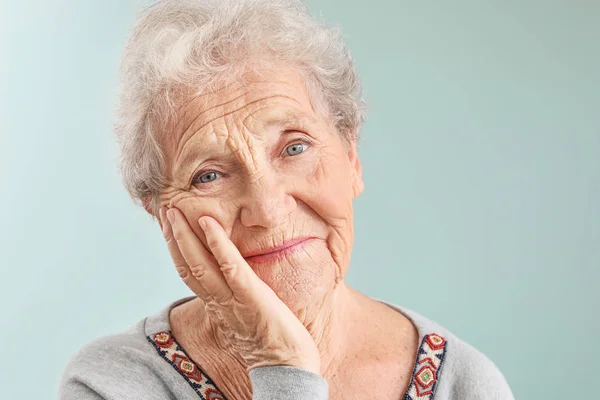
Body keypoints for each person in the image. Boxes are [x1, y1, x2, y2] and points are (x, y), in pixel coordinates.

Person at [59, 0, 515, 399]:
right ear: (161, 212)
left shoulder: (464, 382)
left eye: (294, 148)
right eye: (209, 175)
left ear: (351, 158)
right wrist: (280, 367)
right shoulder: (112, 386)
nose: (269, 208)